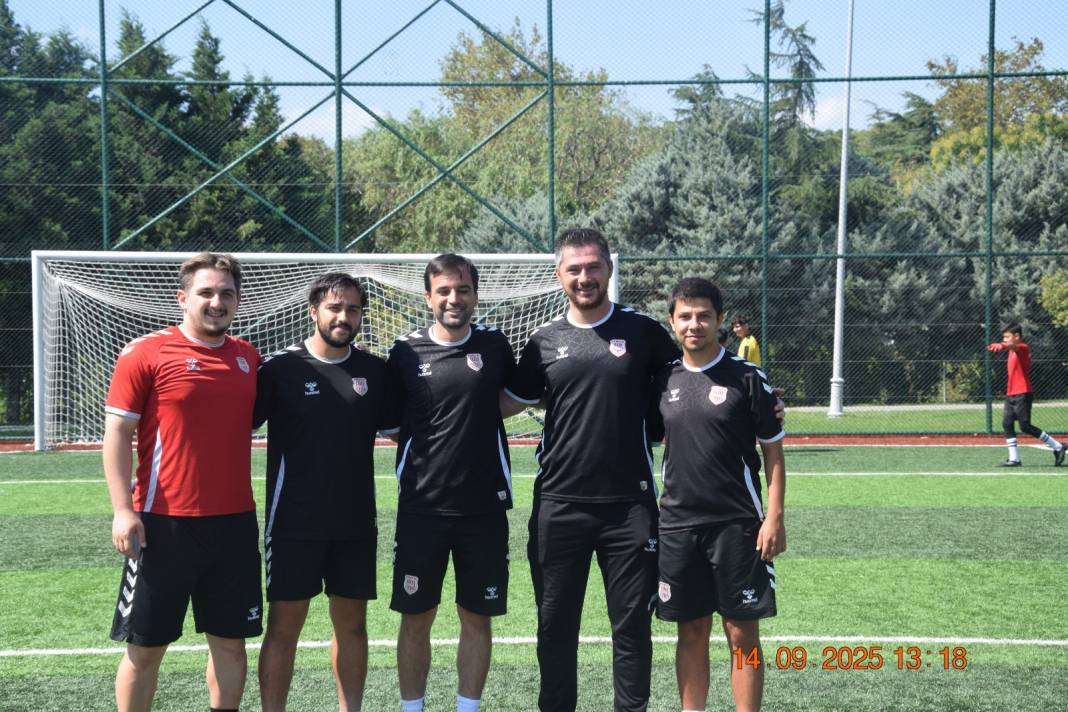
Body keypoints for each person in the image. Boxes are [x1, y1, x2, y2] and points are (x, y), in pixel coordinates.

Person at [502, 228, 679, 712]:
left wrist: (751, 397)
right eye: (574, 269)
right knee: (554, 627)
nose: (585, 277)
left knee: (632, 628)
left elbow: (690, 382)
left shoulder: (643, 333)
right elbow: (504, 402)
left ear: (609, 269)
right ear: (559, 274)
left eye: (593, 267)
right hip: (559, 507)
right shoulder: (543, 340)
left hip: (630, 508)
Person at [103, 252, 261, 712]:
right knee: (145, 647)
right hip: (162, 524)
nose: (217, 302)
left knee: (231, 644)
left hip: (234, 524)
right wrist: (122, 510)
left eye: (226, 293)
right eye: (206, 292)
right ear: (183, 298)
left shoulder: (248, 357)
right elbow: (117, 433)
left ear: (238, 299)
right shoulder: (145, 353)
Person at [254, 273, 394, 712]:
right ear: (314, 311)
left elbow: (405, 429)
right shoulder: (280, 369)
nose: (343, 316)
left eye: (352, 309)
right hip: (293, 522)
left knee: (352, 627)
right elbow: (234, 426)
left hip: (355, 522)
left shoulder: (374, 371)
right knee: (284, 628)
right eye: (334, 307)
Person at [384, 254, 516, 712]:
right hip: (422, 508)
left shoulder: (496, 346)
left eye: (462, 290)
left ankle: (467, 708)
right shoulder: (404, 352)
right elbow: (392, 423)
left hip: (484, 509)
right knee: (415, 618)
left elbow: (516, 397)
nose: (453, 298)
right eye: (443, 290)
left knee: (477, 618)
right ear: (428, 297)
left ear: (475, 295)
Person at [651, 277, 785, 712]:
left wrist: (774, 518)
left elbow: (773, 452)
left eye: (704, 316)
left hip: (738, 525)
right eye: (685, 316)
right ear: (672, 321)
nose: (694, 324)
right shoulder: (662, 380)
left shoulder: (747, 377)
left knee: (742, 633)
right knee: (690, 631)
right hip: (677, 525)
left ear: (719, 320)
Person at [987, 323, 1065, 467]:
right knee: (1007, 423)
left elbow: (1013, 346)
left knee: (1025, 426)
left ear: (1017, 336)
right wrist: (1004, 345)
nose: (1004, 339)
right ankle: (1014, 459)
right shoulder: (1012, 350)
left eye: (1007, 337)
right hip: (1011, 394)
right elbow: (1011, 347)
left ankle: (1058, 446)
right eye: (1003, 337)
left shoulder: (1023, 348)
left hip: (1023, 393)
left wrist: (1002, 345)